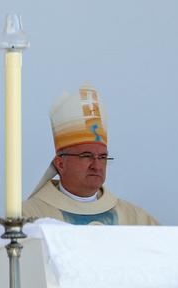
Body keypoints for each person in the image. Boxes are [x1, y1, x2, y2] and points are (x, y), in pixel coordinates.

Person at [23, 83, 158, 225]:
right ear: (61, 164)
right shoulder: (31, 216)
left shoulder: (134, 218)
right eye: (86, 156)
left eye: (102, 157)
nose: (97, 165)